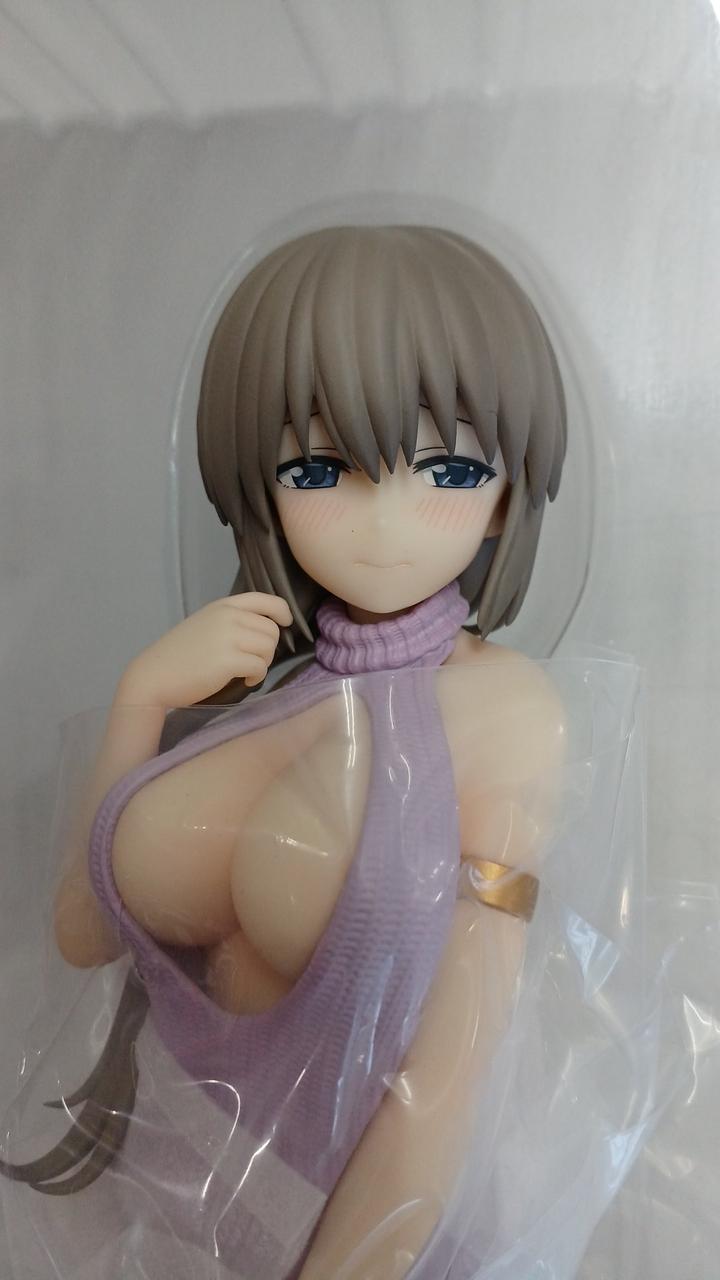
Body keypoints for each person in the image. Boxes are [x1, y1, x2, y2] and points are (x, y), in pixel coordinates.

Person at [2, 225, 567, 1279]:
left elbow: (447, 1079)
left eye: (449, 467)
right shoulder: (260, 684)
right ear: (258, 483)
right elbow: (84, 936)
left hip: (353, 1239)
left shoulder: (506, 712)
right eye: (320, 467)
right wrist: (142, 698)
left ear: (506, 492)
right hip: (145, 1215)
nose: (384, 523)